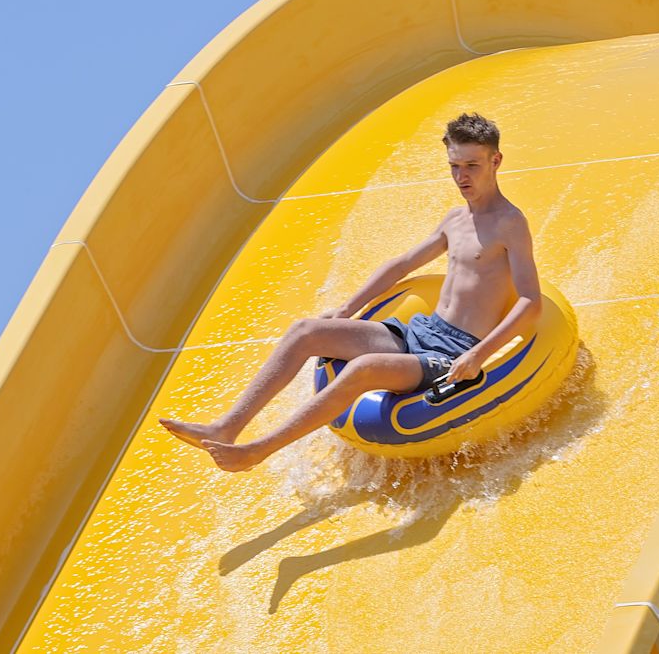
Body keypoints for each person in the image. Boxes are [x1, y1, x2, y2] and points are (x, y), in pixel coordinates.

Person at [160, 112, 542, 472]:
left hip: (452, 352)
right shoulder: (456, 218)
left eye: (472, 166)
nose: (462, 177)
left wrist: (478, 355)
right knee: (305, 331)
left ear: (496, 161)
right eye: (454, 167)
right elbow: (402, 264)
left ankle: (258, 451)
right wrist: (346, 308)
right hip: (419, 332)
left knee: (363, 370)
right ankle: (226, 427)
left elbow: (530, 301)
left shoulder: (510, 224)